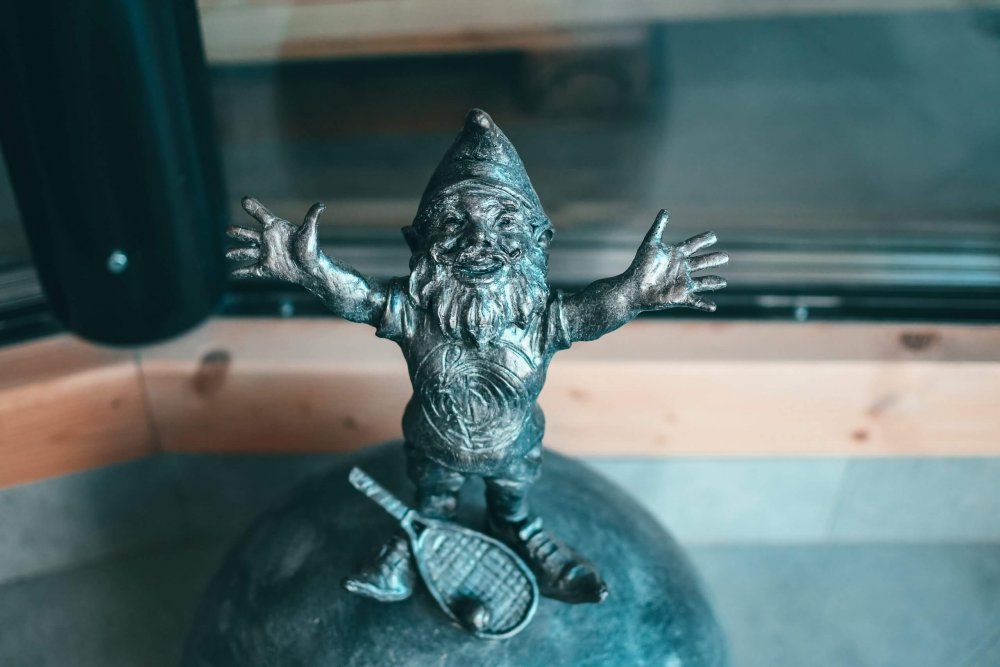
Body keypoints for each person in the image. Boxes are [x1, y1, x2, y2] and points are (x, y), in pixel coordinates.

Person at [227, 109, 729, 605]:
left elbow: (595, 311)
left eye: (505, 223)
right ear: (418, 242)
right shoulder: (414, 313)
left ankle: (517, 527)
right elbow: (359, 298)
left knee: (512, 498)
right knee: (433, 496)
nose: (480, 240)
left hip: (516, 444)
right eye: (453, 221)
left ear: (539, 241)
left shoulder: (540, 319)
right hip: (431, 443)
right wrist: (313, 271)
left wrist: (634, 293)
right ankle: (424, 532)